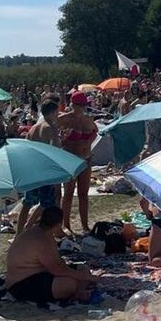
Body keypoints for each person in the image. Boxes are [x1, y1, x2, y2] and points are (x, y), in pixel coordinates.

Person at [5, 206, 99, 305]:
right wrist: (83, 277)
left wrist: (80, 274)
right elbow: (57, 270)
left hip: (40, 273)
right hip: (21, 283)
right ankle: (78, 290)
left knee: (83, 267)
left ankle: (79, 291)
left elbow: (58, 263)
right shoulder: (40, 239)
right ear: (58, 225)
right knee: (69, 284)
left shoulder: (43, 232)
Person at [16, 101, 62, 234]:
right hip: (45, 171)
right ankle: (44, 234)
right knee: (47, 203)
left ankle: (20, 233)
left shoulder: (33, 128)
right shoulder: (51, 127)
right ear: (53, 112)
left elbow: (26, 148)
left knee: (27, 203)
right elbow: (55, 149)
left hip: (32, 169)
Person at [59, 91, 97, 233]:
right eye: (79, 105)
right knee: (68, 193)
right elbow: (55, 138)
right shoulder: (64, 119)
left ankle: (85, 225)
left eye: (83, 105)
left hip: (86, 158)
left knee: (83, 194)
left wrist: (89, 141)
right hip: (70, 159)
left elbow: (96, 131)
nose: (81, 108)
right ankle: (66, 224)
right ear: (72, 105)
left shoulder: (88, 119)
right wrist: (63, 139)